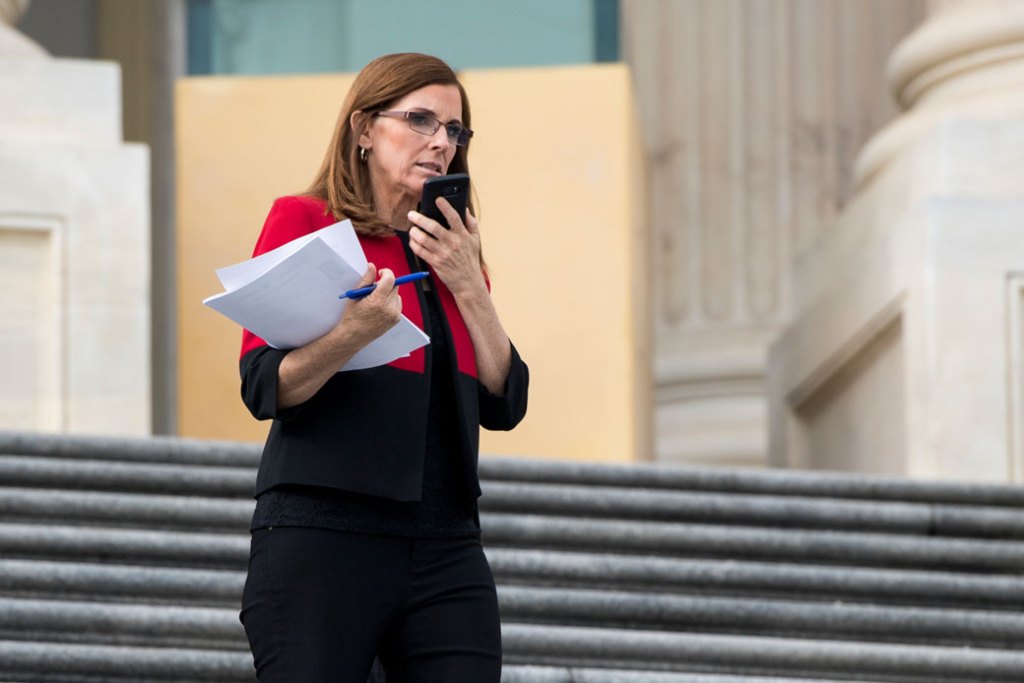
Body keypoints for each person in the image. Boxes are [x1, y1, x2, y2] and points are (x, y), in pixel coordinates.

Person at [237, 53, 529, 682]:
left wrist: (470, 284)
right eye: (420, 120)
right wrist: (351, 335)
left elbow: (505, 401)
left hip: (447, 545)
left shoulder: (451, 250)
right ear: (364, 128)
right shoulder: (307, 222)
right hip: (323, 535)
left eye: (454, 130)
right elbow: (265, 386)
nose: (440, 143)